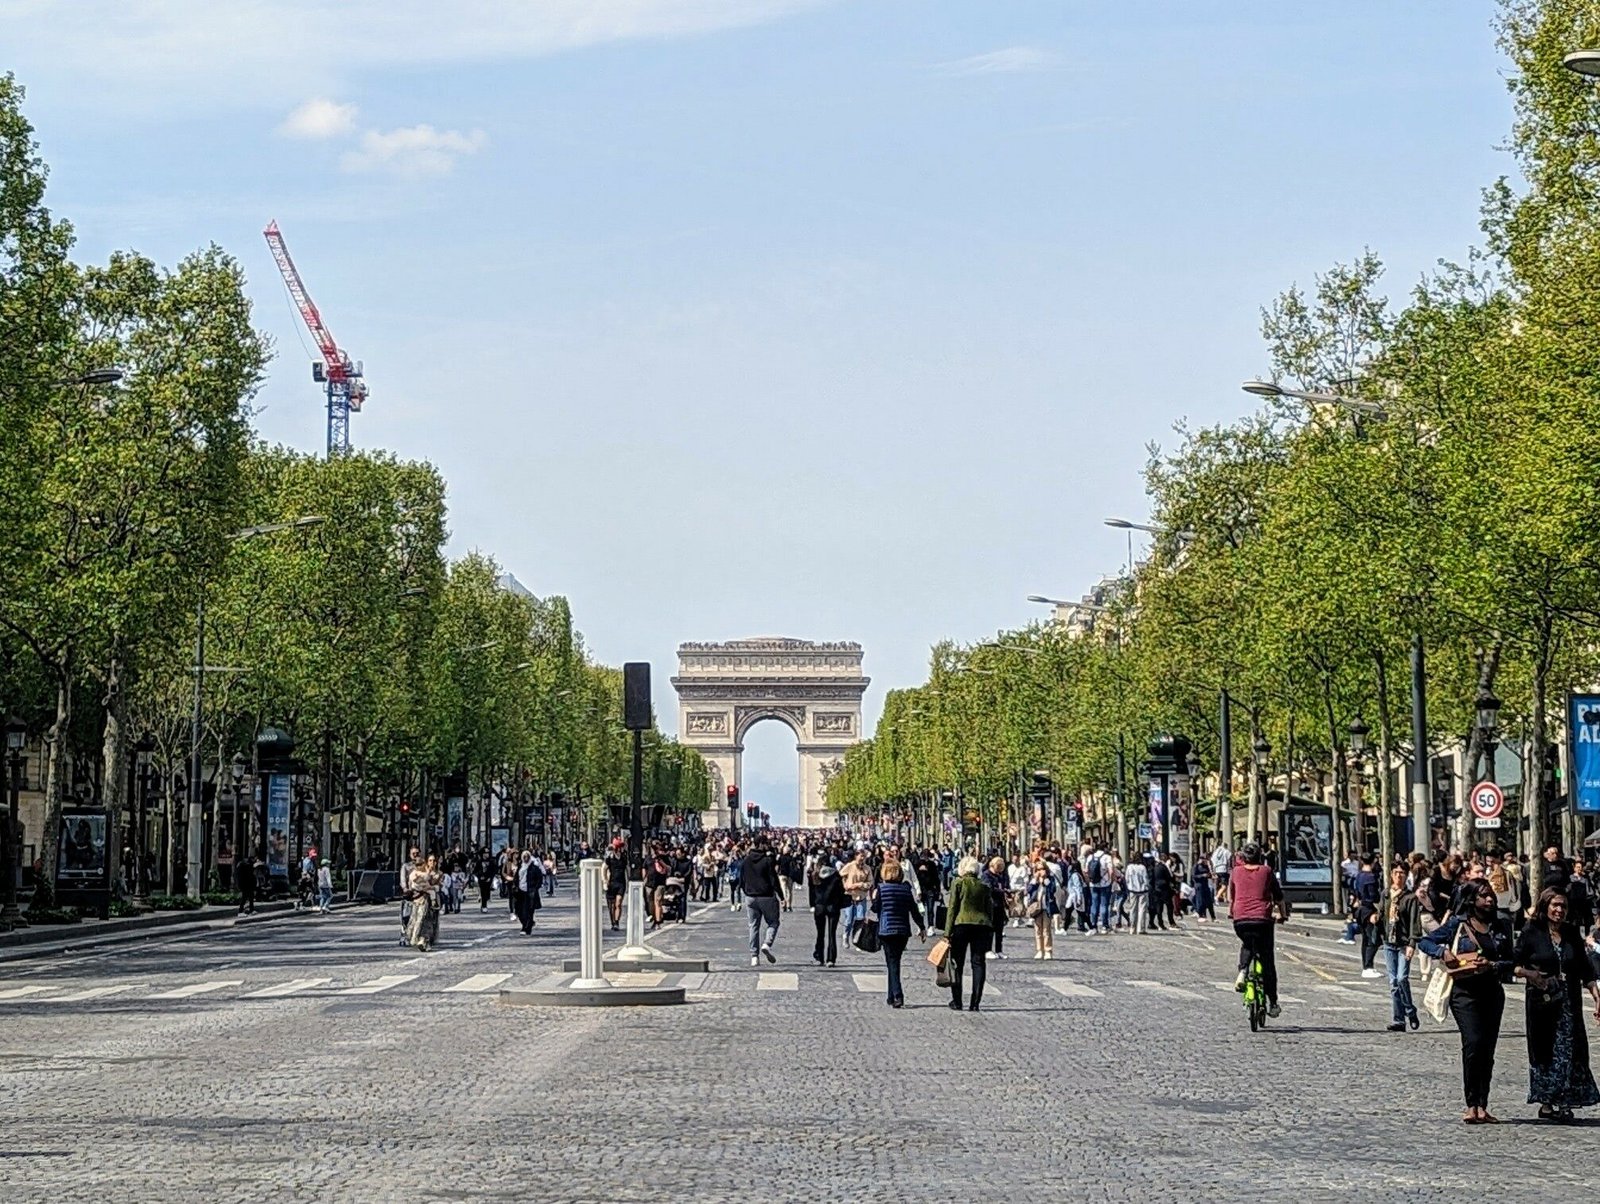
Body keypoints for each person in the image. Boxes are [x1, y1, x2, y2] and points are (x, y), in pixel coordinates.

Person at [1419, 880, 1516, 1124]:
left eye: (1491, 895)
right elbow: (1426, 941)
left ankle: (1483, 1105)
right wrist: (1443, 953)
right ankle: (1471, 1103)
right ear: (1472, 900)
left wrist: (1492, 965)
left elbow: (1511, 961)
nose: (1490, 900)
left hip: (1492, 993)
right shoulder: (1457, 925)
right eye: (1484, 896)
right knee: (1473, 1044)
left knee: (1487, 1049)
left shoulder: (1501, 926)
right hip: (1464, 994)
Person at [1514, 888, 1600, 1121]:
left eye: (1563, 906)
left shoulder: (1571, 933)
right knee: (1546, 1050)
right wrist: (1532, 975)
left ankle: (1564, 1101)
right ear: (1545, 906)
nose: (1559, 910)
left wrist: (1596, 995)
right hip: (1542, 1003)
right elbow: (1514, 963)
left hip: (1569, 1003)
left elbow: (1585, 968)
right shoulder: (1532, 931)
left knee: (1569, 1051)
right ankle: (1546, 1101)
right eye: (1555, 905)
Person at [1230, 841, 1285, 1017]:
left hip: (1241, 919)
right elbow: (1278, 896)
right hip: (1262, 919)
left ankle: (1243, 970)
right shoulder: (1267, 871)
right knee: (1267, 958)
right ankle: (1273, 1002)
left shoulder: (1235, 872)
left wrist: (1233, 913)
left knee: (1247, 943)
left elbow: (1233, 896)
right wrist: (1282, 914)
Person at [874, 860, 926, 1008]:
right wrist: (921, 927)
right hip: (902, 930)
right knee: (893, 962)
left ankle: (898, 995)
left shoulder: (882, 889)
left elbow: (875, 908)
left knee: (892, 962)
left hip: (886, 930)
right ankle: (891, 996)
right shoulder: (906, 889)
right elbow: (914, 911)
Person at [944, 855, 993, 1012]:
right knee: (978, 963)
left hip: (961, 925)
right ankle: (975, 1002)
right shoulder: (984, 886)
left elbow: (952, 909)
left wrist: (947, 932)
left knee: (957, 963)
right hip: (981, 926)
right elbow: (989, 909)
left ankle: (957, 1001)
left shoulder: (958, 883)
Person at [1378, 863, 1422, 1032]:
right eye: (1396, 873)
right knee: (1393, 982)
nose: (1399, 876)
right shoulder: (1386, 894)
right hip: (1389, 942)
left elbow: (1414, 922)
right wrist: (1375, 917)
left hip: (1403, 943)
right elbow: (1382, 913)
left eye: (1402, 873)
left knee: (1402, 978)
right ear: (1391, 875)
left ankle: (1410, 1010)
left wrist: (1412, 943)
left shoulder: (1410, 898)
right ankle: (1399, 1020)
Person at [741, 839, 781, 967]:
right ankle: (767, 944)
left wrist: (746, 891)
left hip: (750, 897)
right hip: (767, 896)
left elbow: (742, 880)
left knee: (753, 926)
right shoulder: (767, 861)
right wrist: (781, 896)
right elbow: (773, 879)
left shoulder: (746, 861)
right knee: (773, 922)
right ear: (761, 845)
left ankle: (754, 957)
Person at [809, 852, 846, 967]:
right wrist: (839, 904)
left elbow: (811, 893)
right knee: (832, 933)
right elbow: (841, 892)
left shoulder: (815, 875)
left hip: (819, 906)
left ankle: (819, 957)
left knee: (820, 933)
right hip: (833, 906)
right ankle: (831, 959)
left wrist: (813, 905)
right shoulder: (835, 876)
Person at [406, 853, 442, 952]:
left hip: (430, 900)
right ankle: (416, 938)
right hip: (419, 899)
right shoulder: (420, 872)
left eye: (434, 861)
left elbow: (439, 886)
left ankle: (425, 941)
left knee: (429, 921)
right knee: (417, 919)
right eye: (430, 860)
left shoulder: (438, 873)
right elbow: (412, 883)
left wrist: (433, 888)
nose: (432, 863)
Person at [1025, 862, 1057, 959]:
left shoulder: (1050, 879)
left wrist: (1045, 881)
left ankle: (1048, 950)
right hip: (1036, 908)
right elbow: (1029, 890)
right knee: (1038, 930)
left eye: (1042, 869)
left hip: (1046, 907)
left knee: (1046, 930)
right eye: (1038, 869)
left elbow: (1053, 890)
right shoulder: (1034, 880)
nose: (1040, 871)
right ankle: (1039, 950)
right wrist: (1035, 880)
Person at [982, 856, 1009, 960]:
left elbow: (1003, 885)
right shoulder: (986, 875)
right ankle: (988, 950)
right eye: (999, 868)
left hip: (999, 905)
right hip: (990, 905)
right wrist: (1002, 891)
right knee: (990, 929)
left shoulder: (1000, 876)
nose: (1000, 871)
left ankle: (999, 950)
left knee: (999, 929)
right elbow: (989, 888)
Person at [603, 840, 628, 931]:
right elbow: (604, 869)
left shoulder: (624, 858)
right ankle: (613, 922)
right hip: (612, 882)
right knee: (611, 905)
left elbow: (627, 870)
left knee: (618, 903)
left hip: (621, 883)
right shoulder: (609, 858)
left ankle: (617, 921)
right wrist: (605, 880)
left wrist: (629, 881)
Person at [1125, 853, 1150, 934]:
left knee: (1132, 909)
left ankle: (1132, 928)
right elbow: (1145, 879)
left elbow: (1127, 878)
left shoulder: (1129, 867)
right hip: (1143, 890)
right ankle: (1141, 928)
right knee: (1142, 909)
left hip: (1132, 890)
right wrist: (1146, 886)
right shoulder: (1143, 867)